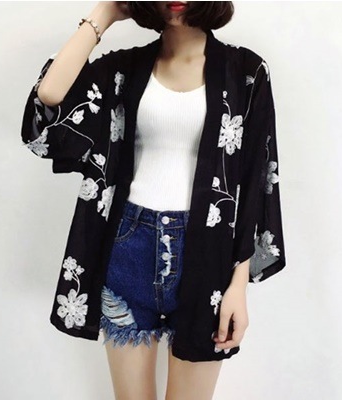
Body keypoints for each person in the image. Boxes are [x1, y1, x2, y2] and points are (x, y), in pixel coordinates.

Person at [24, 1, 285, 399]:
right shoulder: (125, 69)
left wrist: (238, 286)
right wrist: (106, 13)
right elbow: (50, 96)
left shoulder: (246, 72)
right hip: (128, 248)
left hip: (207, 258)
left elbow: (255, 181)